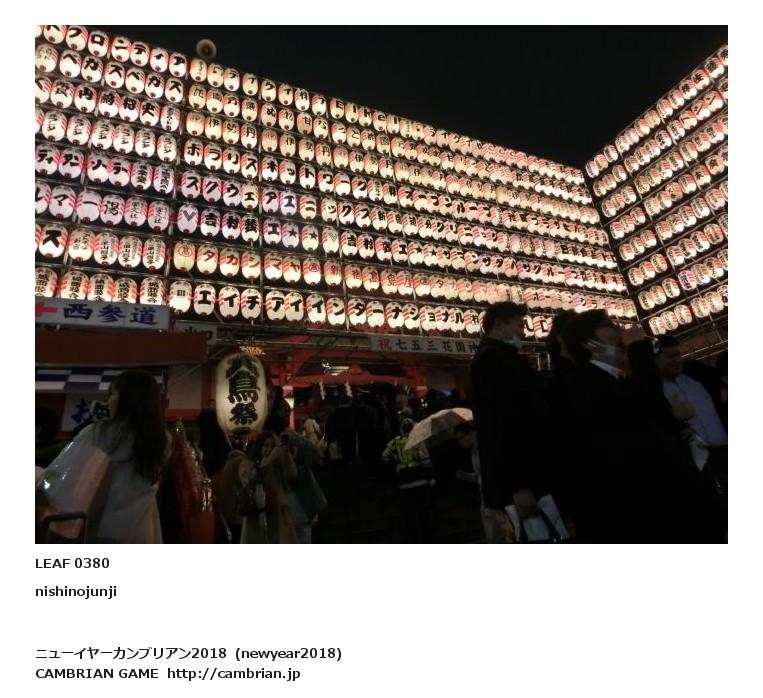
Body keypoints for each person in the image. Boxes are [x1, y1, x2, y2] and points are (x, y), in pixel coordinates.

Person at [562, 312, 709, 542]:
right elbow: (645, 402)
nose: (618, 329)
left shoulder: (618, 377)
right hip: (640, 491)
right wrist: (638, 348)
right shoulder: (585, 379)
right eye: (608, 325)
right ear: (588, 343)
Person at [41, 370, 171, 543]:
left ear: (127, 399)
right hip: (142, 529)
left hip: (103, 529)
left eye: (112, 394)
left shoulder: (98, 433)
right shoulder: (162, 439)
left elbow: (60, 479)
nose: (108, 401)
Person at [468, 302, 551, 543]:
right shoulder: (492, 359)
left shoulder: (501, 357)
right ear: (499, 324)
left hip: (524, 472)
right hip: (520, 478)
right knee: (537, 536)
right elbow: (502, 423)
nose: (523, 331)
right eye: (518, 324)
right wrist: (519, 485)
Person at [264, 392, 326, 544]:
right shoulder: (285, 438)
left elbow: (316, 456)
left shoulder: (272, 438)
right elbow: (316, 455)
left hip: (287, 501)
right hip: (291, 501)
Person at [224, 431, 297, 544]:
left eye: (272, 446)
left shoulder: (277, 466)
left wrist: (286, 455)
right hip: (255, 514)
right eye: (266, 445)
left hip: (276, 514)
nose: (269, 449)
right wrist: (269, 459)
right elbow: (251, 478)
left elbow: (292, 475)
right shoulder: (247, 464)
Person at [382, 418, 434, 543]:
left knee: (409, 513)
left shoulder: (394, 442)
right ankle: (426, 539)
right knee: (423, 512)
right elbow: (426, 461)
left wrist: (396, 460)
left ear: (401, 429)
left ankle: (412, 539)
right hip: (420, 481)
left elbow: (384, 457)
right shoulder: (418, 441)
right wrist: (430, 477)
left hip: (404, 483)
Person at [197, 398, 230, 477]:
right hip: (209, 444)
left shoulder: (217, 416)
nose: (213, 406)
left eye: (214, 405)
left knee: (216, 461)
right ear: (208, 406)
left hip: (217, 444)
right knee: (209, 461)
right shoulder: (205, 416)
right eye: (212, 405)